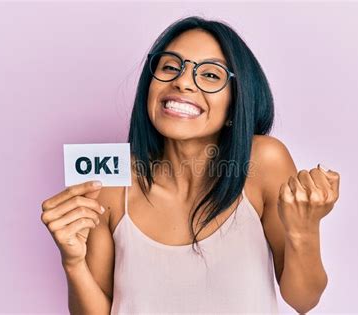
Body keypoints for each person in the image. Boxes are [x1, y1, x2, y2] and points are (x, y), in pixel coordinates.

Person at [41, 16, 340, 314]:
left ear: (237, 102)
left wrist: (304, 229)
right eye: (170, 67)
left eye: (210, 75)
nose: (182, 82)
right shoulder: (110, 181)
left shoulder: (263, 161)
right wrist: (73, 262)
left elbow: (303, 300)